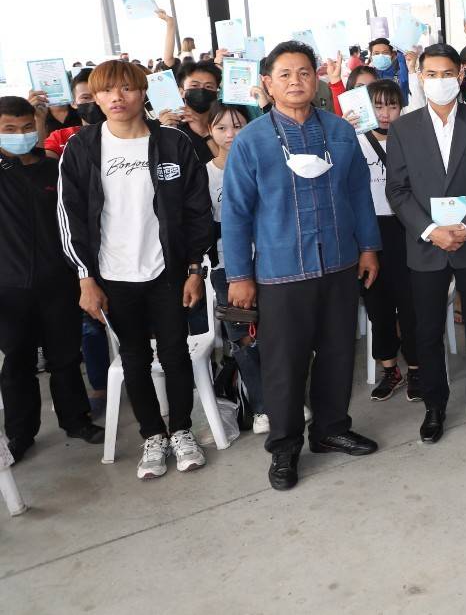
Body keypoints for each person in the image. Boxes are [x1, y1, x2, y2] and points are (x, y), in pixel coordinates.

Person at [222, 42, 382, 491]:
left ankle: (331, 429)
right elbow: (235, 214)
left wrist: (369, 248)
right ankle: (285, 446)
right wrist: (240, 276)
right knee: (284, 365)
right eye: (285, 74)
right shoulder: (252, 141)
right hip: (280, 271)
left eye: (305, 73)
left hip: (339, 262)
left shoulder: (340, 132)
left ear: (317, 79)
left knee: (337, 352)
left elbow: (359, 195)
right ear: (268, 84)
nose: (296, 81)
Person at [57, 60, 213, 478]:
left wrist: (194, 268)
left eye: (126, 88)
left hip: (167, 271)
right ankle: (153, 436)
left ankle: (181, 430)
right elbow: (69, 217)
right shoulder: (82, 147)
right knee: (134, 357)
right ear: (95, 97)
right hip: (113, 275)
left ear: (143, 92)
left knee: (176, 353)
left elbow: (198, 210)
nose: (117, 98)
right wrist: (85, 277)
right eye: (107, 91)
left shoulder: (173, 143)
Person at [384, 44, 466, 443]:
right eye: (431, 74)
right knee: (427, 330)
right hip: (426, 245)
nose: (439, 81)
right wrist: (430, 230)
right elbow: (397, 190)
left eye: (446, 73)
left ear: (459, 76)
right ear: (421, 78)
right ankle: (434, 405)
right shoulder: (403, 128)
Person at [0, 96, 103, 462]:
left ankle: (76, 420)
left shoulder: (53, 169)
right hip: (10, 288)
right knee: (18, 363)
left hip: (58, 281)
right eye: (9, 129)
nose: (20, 135)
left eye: (26, 127)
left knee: (66, 356)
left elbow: (75, 220)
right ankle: (20, 433)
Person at [350, 80, 422, 401]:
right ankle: (390, 369)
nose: (385, 113)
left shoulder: (411, 139)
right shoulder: (353, 141)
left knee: (410, 305)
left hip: (406, 228)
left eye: (392, 106)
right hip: (369, 232)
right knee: (378, 307)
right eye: (378, 106)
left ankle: (417, 368)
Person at [203, 102, 267, 433]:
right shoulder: (205, 175)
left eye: (238, 126)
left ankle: (286, 399)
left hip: (270, 261)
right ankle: (262, 408)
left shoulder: (263, 164)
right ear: (209, 131)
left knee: (276, 335)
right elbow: (201, 226)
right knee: (242, 338)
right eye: (221, 128)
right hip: (226, 268)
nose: (230, 134)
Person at [156, 59, 221, 164]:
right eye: (194, 85)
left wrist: (205, 134)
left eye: (208, 86)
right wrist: (167, 132)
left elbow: (228, 165)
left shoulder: (223, 121)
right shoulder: (170, 123)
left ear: (216, 94)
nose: (201, 90)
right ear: (181, 92)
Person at [369, 38, 410, 102]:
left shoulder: (402, 72)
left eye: (385, 53)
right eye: (376, 53)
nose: (381, 56)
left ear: (392, 55)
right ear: (371, 57)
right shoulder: (368, 75)